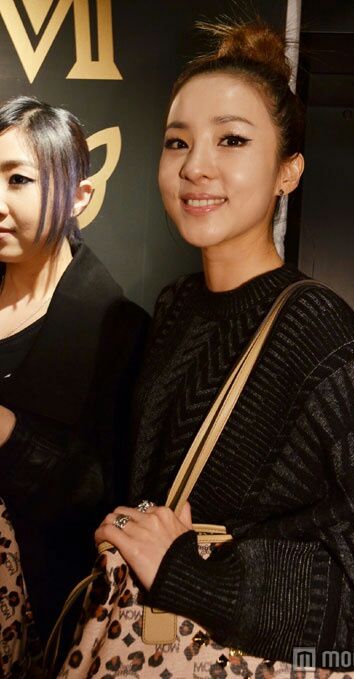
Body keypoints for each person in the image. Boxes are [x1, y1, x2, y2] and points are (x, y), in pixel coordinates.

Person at [95, 21, 354, 671]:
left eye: (231, 139)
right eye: (178, 142)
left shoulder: (315, 328)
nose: (195, 166)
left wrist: (196, 577)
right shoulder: (177, 306)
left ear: (289, 171)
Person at [0, 96, 149, 642]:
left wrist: (8, 433)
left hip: (46, 615)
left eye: (18, 180)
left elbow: (106, 496)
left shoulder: (119, 329)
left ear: (78, 196)